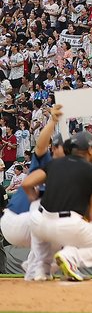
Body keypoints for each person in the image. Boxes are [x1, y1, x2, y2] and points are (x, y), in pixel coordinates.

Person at [22, 131, 92, 282]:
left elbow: (26, 183)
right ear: (88, 149)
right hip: (66, 224)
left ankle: (40, 269)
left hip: (39, 221)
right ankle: (70, 258)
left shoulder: (54, 163)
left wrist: (33, 198)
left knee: (59, 243)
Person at [2, 104, 63, 281]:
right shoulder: (46, 162)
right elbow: (41, 145)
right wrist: (52, 121)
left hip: (30, 227)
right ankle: (36, 268)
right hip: (15, 220)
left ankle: (35, 265)